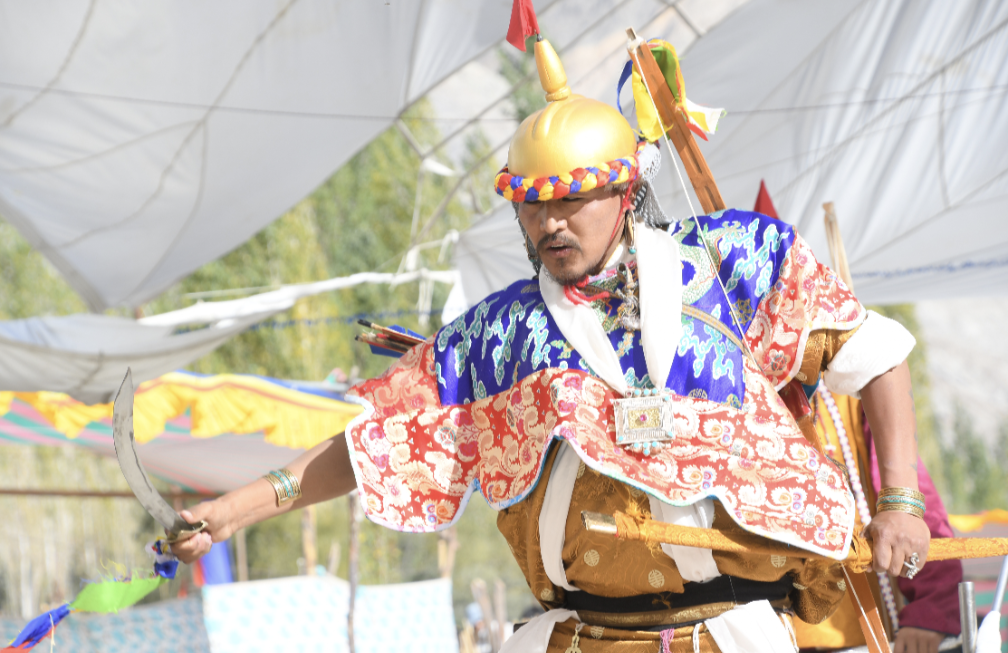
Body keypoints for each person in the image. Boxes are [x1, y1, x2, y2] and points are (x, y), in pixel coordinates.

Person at [173, 38, 929, 652]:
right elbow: (376, 441)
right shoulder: (499, 335)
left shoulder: (737, 263)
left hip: (740, 631)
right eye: (534, 207)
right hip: (578, 638)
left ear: (625, 189)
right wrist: (236, 509)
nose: (551, 224)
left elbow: (878, 355)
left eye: (571, 199)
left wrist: (899, 502)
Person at [794, 390, 962, 653]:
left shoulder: (851, 384)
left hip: (864, 636)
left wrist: (931, 609)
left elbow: (914, 513)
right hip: (747, 631)